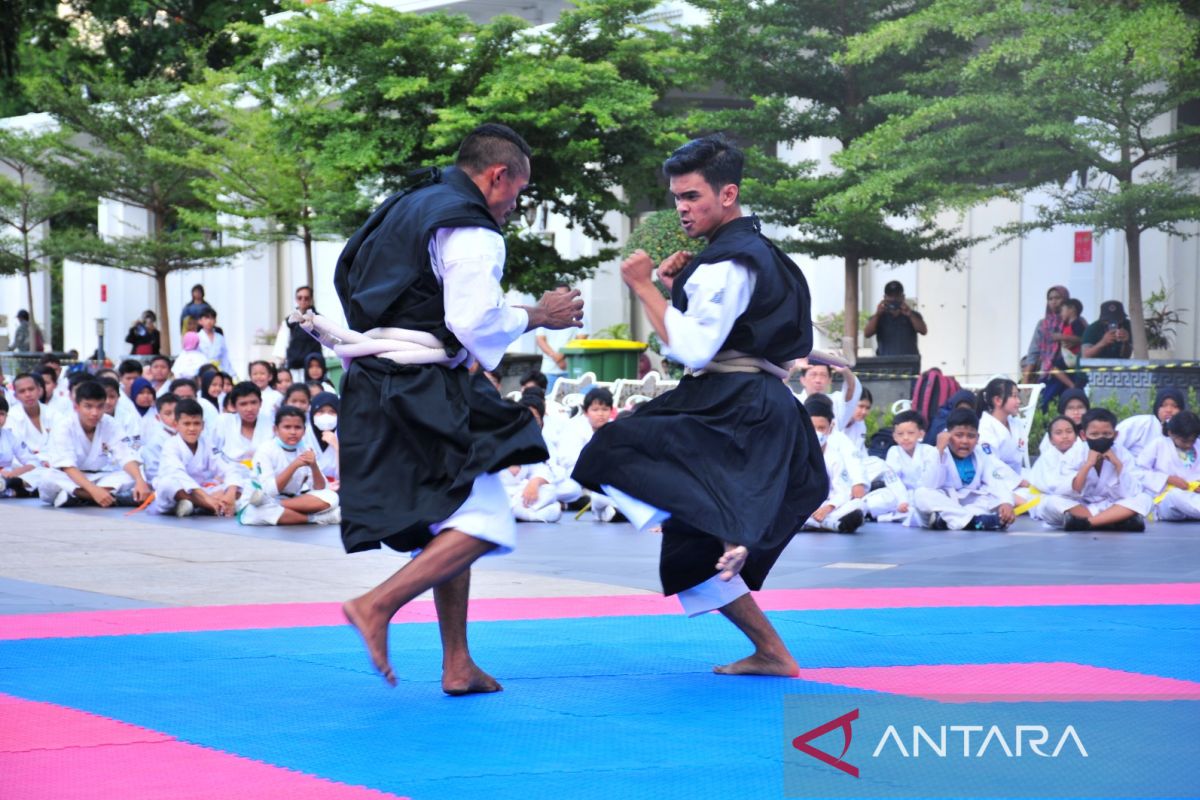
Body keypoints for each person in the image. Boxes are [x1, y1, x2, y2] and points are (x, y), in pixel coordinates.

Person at [327, 123, 583, 692]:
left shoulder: (404, 206)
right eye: (518, 192)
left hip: (385, 376)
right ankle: (377, 604)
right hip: (416, 384)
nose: (516, 205)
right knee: (486, 520)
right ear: (498, 177)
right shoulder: (472, 228)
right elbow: (472, 320)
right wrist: (539, 314)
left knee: (453, 514)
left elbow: (355, 281)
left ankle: (458, 662)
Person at [573, 135, 827, 677]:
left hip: (735, 405)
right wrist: (673, 285)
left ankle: (724, 521)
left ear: (728, 194)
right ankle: (772, 650)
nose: (682, 209)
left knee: (609, 451)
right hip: (751, 401)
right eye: (676, 198)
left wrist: (645, 288)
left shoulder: (727, 263)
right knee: (692, 553)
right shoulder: (762, 254)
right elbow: (757, 330)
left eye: (691, 196)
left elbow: (691, 348)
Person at [38, 381, 151, 508]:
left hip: (99, 477)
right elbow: (67, 466)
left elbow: (125, 455)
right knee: (48, 478)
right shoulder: (64, 426)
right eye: (88, 406)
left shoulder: (110, 424)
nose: (94, 413)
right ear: (76, 406)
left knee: (130, 476)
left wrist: (140, 481)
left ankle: (78, 496)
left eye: (99, 406)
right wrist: (93, 490)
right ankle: (98, 496)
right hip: (70, 477)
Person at [1035, 408, 1149, 532]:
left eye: (1106, 434)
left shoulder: (1122, 454)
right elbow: (1070, 490)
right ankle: (1112, 521)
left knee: (1145, 499)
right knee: (1049, 504)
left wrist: (1117, 464)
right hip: (1082, 507)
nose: (1101, 438)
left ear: (1115, 435)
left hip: (1112, 505)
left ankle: (1088, 523)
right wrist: (1088, 465)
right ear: (1083, 435)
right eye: (1094, 434)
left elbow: (1132, 492)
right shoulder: (1075, 453)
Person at [913, 408, 1017, 531]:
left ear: (978, 438)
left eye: (971, 436)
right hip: (944, 503)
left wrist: (1006, 502)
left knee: (991, 499)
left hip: (968, 507)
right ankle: (973, 522)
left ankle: (947, 521)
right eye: (959, 435)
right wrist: (939, 450)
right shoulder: (935, 452)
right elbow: (931, 485)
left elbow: (996, 481)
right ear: (947, 435)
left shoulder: (981, 455)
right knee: (922, 494)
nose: (965, 441)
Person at [239, 406, 340, 526]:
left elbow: (320, 488)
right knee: (260, 512)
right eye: (287, 427)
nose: (293, 432)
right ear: (275, 429)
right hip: (261, 501)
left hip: (290, 501)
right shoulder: (266, 449)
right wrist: (294, 465)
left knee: (331, 497)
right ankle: (315, 518)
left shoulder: (305, 449)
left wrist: (314, 466)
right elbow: (270, 491)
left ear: (304, 430)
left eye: (298, 427)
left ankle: (281, 507)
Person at [150, 398, 242, 517]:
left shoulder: (207, 444)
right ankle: (210, 506)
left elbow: (228, 468)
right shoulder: (171, 445)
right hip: (178, 493)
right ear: (176, 424)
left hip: (202, 490)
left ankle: (199, 505)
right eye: (186, 424)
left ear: (203, 425)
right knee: (167, 484)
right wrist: (207, 499)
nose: (192, 429)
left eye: (196, 423)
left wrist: (231, 491)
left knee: (241, 483)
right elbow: (178, 474)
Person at [801, 396, 866, 533]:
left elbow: (842, 491)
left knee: (858, 504)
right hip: (802, 506)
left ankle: (812, 524)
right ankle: (833, 525)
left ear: (830, 428)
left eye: (821, 428)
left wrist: (828, 507)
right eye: (812, 428)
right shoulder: (796, 454)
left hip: (826, 507)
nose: (817, 433)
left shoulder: (834, 457)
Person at [864, 410, 939, 525]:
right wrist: (902, 500)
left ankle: (889, 516)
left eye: (910, 433)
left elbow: (930, 481)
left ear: (921, 434)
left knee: (927, 500)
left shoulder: (930, 451)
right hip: (899, 494)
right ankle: (871, 513)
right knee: (876, 500)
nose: (905, 438)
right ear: (894, 436)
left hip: (922, 494)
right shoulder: (894, 452)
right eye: (900, 434)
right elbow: (892, 479)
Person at [1138, 411, 1200, 522]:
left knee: (1188, 499)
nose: (1189, 445)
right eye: (1184, 441)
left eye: (1193, 440)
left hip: (1195, 498)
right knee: (1176, 496)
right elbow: (1138, 472)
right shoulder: (1158, 444)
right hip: (1167, 503)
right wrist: (1168, 479)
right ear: (1171, 433)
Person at [1040, 298, 1087, 411]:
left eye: (1063, 310)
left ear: (1072, 310)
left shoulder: (1077, 323)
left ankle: (1072, 386)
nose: (1061, 314)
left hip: (1074, 358)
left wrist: (1061, 337)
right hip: (1068, 357)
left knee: (1053, 367)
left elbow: (1081, 339)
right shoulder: (1066, 325)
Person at [1020, 286, 1070, 383]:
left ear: (1065, 299)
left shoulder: (1072, 321)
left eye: (1057, 298)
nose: (1053, 302)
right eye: (1050, 299)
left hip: (1069, 369)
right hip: (1046, 373)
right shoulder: (1043, 324)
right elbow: (1033, 352)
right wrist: (1025, 380)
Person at [863, 280, 927, 358]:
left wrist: (909, 314)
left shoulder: (913, 315)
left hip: (909, 362)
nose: (894, 299)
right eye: (890, 296)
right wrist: (877, 315)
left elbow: (923, 331)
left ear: (903, 297)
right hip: (885, 363)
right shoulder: (879, 317)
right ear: (885, 298)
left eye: (897, 296)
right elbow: (867, 334)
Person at [272, 286, 325, 378]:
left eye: (306, 298)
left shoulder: (319, 319)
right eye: (300, 298)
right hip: (294, 367)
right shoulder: (289, 321)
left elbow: (325, 340)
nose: (303, 300)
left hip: (313, 369)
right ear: (296, 299)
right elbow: (282, 342)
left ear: (311, 299)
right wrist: (280, 363)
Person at [1116, 388, 1185, 459]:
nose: (1169, 410)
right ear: (1157, 407)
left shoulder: (1185, 430)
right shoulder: (1140, 423)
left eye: (1175, 406)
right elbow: (1114, 445)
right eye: (1164, 405)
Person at [310, 392, 340, 482]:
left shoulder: (346, 435)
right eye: (321, 411)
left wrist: (337, 447)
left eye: (332, 412)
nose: (326, 416)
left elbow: (347, 475)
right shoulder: (303, 435)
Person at [195, 309, 235, 376]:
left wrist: (230, 373)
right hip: (202, 370)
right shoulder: (197, 337)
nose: (209, 321)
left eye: (212, 318)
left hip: (219, 370)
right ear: (200, 321)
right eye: (206, 318)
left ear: (215, 321)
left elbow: (224, 357)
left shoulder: (220, 338)